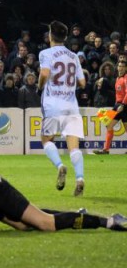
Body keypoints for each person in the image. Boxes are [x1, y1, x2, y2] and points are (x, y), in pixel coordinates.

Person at [38, 21, 86, 196]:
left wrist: (39, 87)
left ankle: (60, 165)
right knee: (74, 147)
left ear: (50, 35)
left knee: (46, 140)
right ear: (65, 37)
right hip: (72, 106)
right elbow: (82, 82)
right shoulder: (74, 56)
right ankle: (80, 178)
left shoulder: (45, 53)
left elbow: (44, 74)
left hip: (53, 105)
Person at [93, 61, 127, 155]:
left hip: (123, 106)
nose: (120, 68)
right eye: (119, 66)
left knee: (110, 126)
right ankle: (106, 149)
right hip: (118, 105)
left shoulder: (125, 78)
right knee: (109, 125)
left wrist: (123, 105)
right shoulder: (117, 79)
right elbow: (118, 94)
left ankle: (106, 149)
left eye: (123, 66)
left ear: (126, 68)